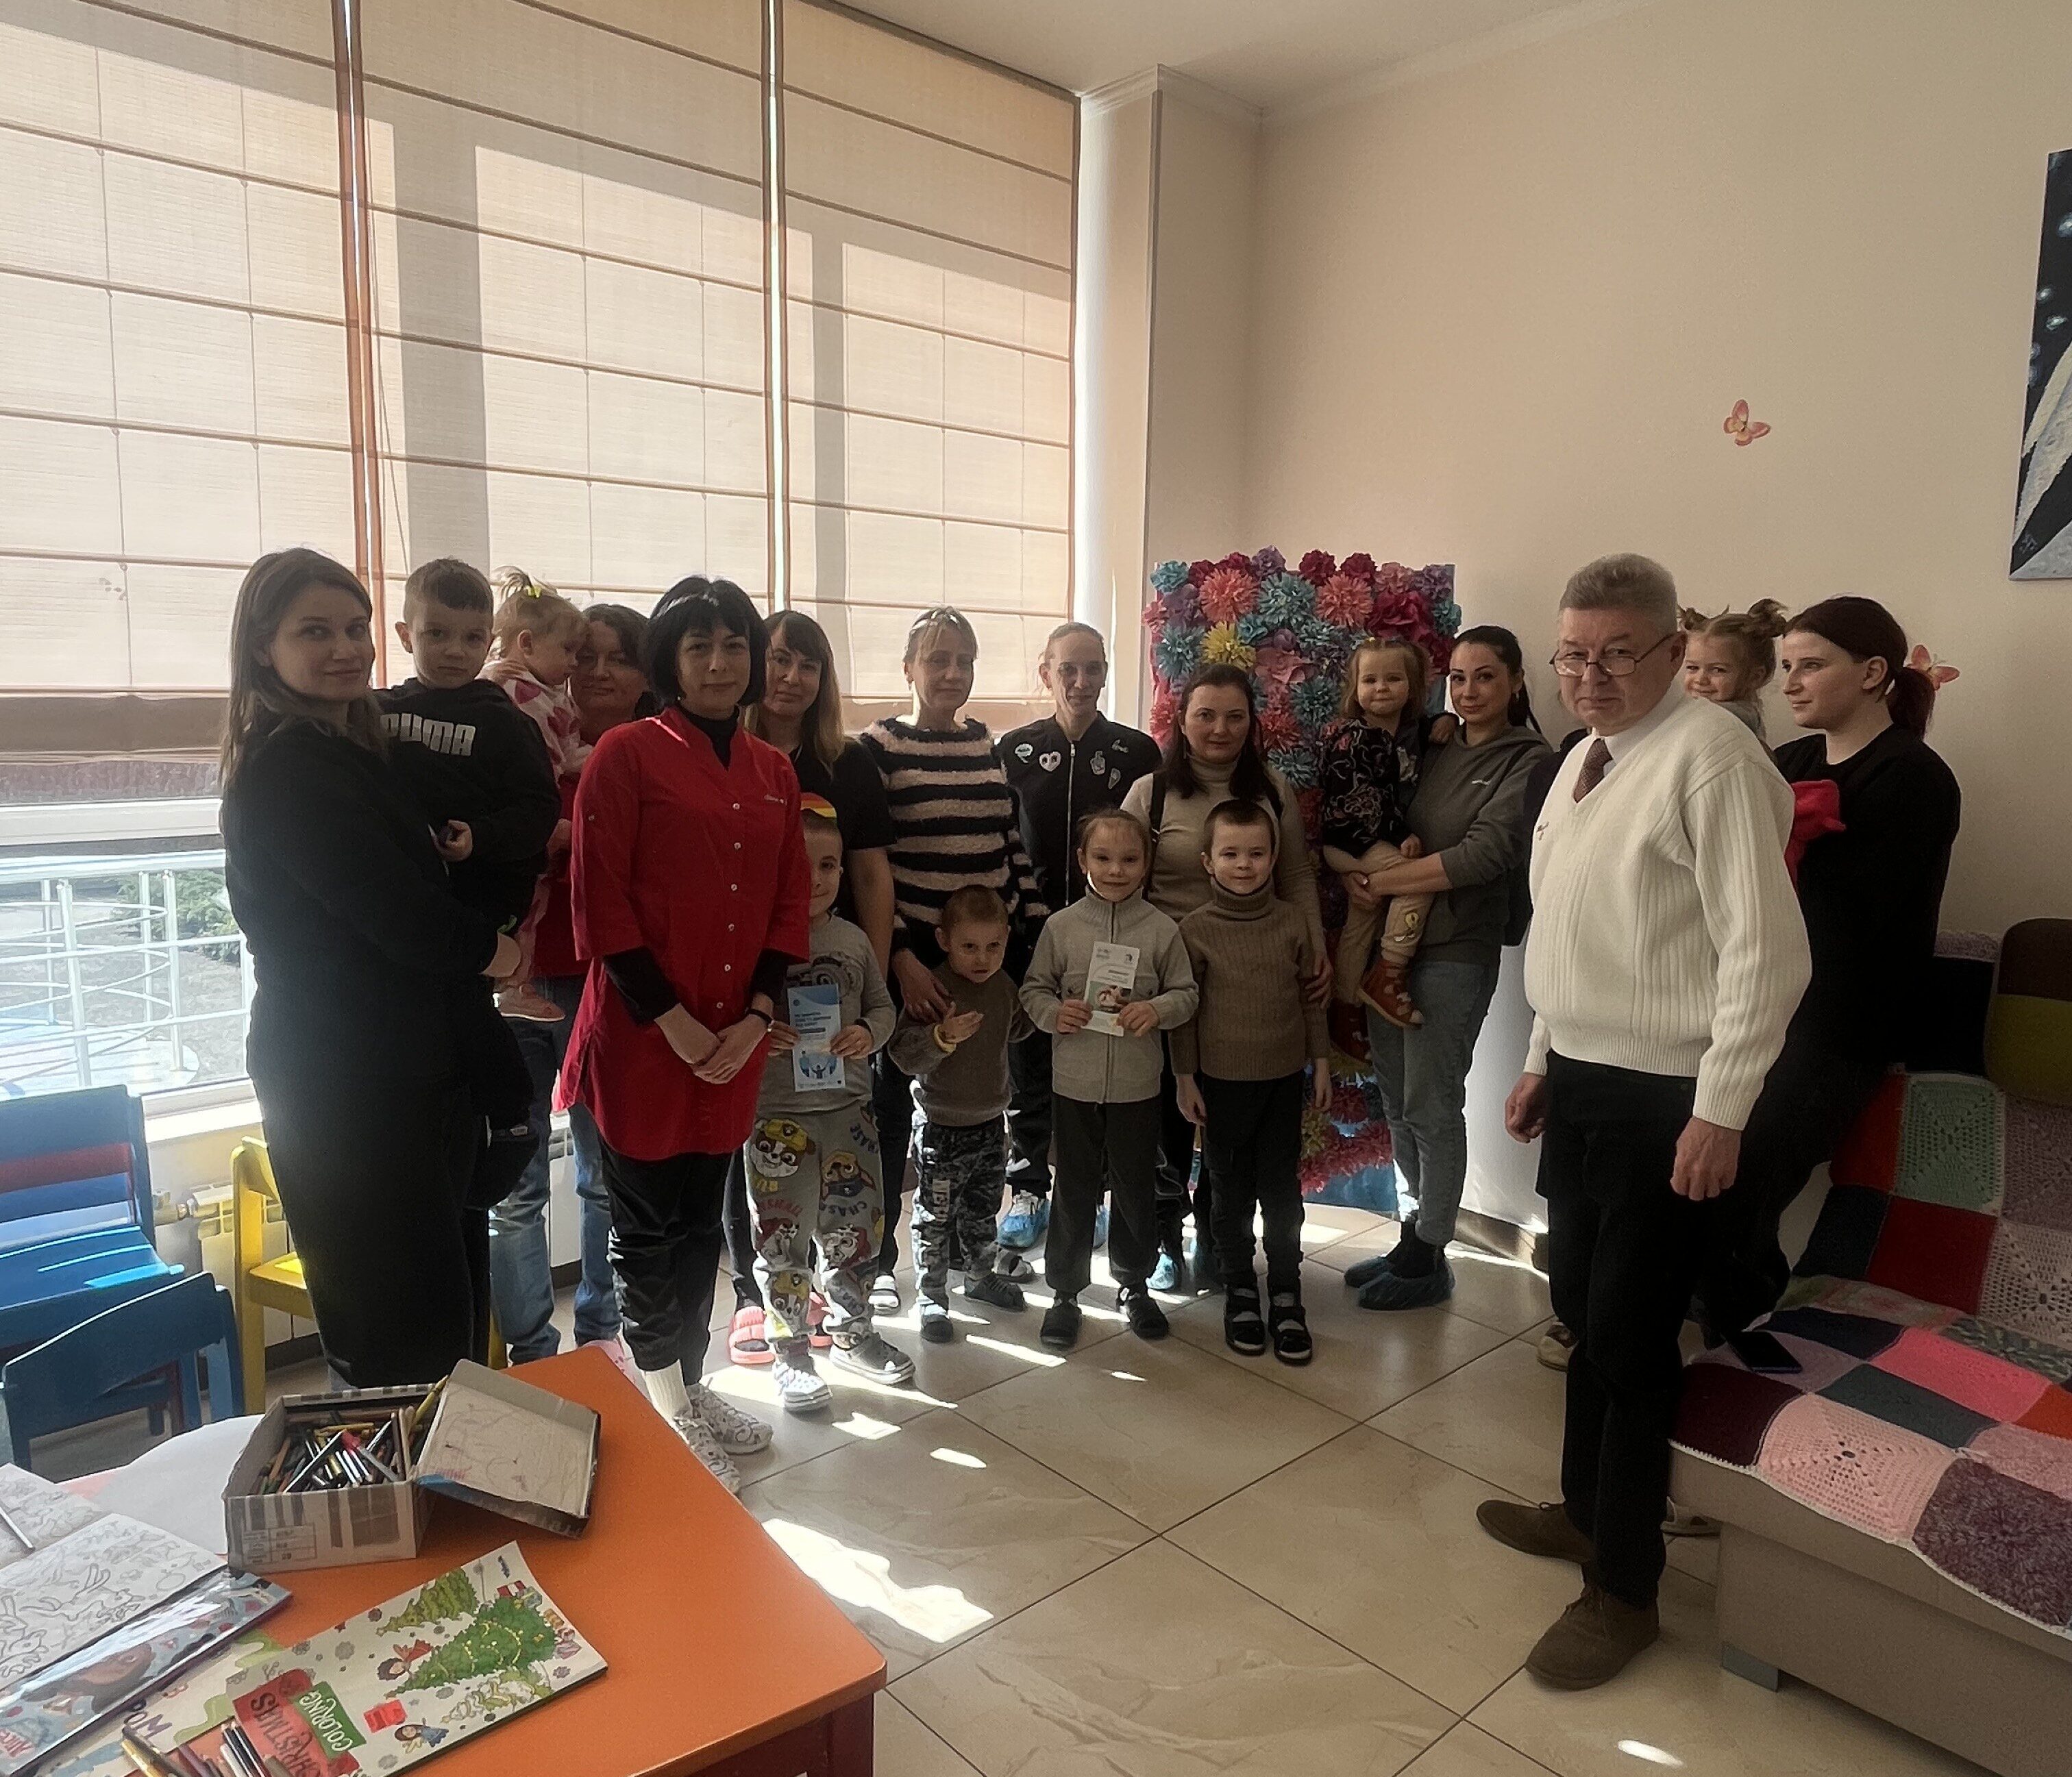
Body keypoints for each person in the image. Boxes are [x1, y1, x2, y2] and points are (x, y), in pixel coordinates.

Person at [1485, 553, 1809, 1689]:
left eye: (1617, 652)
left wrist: (1720, 1108)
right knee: (1580, 1309)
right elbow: (1568, 926)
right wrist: (1541, 1057)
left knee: (1629, 1340)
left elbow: (1766, 954)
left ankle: (1622, 1587)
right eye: (1572, 653)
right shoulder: (1582, 758)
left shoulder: (1712, 757)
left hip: (1665, 1098)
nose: (1590, 674)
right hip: (1583, 1080)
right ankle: (1583, 1510)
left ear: (1674, 650)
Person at [221, 549, 519, 1386]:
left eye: (357, 628)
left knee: (448, 1334)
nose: (347, 648)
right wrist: (500, 950)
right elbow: (396, 911)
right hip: (345, 1084)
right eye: (315, 631)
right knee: (399, 1345)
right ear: (263, 646)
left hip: (411, 1071)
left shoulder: (353, 745)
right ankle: (401, 1477)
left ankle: (446, 1471)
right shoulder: (288, 767)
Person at [559, 577, 811, 1493]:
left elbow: (788, 902)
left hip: (732, 1039)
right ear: (670, 658)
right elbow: (601, 902)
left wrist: (754, 1018)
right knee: (646, 1231)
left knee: (705, 1223)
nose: (719, 662)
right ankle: (665, 1406)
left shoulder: (775, 771)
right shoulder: (626, 754)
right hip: (642, 1038)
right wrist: (672, 1021)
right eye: (698, 645)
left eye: (734, 644)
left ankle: (690, 1388)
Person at [1698, 597, 1960, 1337]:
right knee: (1713, 1187)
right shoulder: (1792, 762)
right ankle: (1736, 1336)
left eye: (1811, 665)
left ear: (1873, 672)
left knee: (1739, 1189)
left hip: (1836, 1030)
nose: (1790, 682)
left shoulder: (1912, 776)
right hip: (1761, 1015)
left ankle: (1747, 1348)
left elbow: (1834, 917)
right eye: (1786, 666)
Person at [1336, 627, 1551, 1311]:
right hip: (1392, 950)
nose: (1469, 691)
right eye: (1458, 677)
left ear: (1516, 681)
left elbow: (1485, 854)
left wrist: (1382, 880)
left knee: (1432, 1103)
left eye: (1485, 676)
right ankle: (1412, 1233)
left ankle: (1433, 1251)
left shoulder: (1529, 759)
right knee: (1397, 1101)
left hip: (1457, 950)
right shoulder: (1433, 744)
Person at [858, 608, 1047, 1313]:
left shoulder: (983, 745)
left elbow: (1009, 845)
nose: (952, 673)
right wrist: (903, 956)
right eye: (937, 659)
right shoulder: (878, 747)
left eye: (964, 660)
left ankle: (972, 1255)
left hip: (989, 957)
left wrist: (1034, 933)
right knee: (895, 1109)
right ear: (908, 667)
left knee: (983, 1101)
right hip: (915, 963)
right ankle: (882, 1262)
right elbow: (871, 863)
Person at [724, 611, 900, 1364]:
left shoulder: (847, 762)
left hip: (836, 1004)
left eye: (808, 665)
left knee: (849, 1193)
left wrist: (869, 988)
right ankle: (762, 1306)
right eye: (778, 660)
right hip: (751, 980)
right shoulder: (724, 749)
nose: (791, 678)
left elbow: (871, 874)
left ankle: (848, 1311)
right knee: (770, 1189)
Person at [1122, 664, 1328, 1292]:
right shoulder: (1151, 793)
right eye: (1205, 715)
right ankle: (1166, 1238)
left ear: (1252, 723)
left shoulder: (1271, 789)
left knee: (1228, 1122)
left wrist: (1315, 949)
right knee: (1168, 1115)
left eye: (1235, 716)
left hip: (1247, 978)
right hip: (1165, 979)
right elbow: (1119, 880)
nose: (1220, 728)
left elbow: (1295, 874)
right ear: (1181, 721)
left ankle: (1218, 1237)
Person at [489, 604, 652, 1363]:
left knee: (602, 1178)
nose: (597, 671)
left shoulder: (650, 756)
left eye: (619, 657)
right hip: (514, 982)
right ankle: (532, 1357)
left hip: (607, 983)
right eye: (584, 654)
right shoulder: (515, 727)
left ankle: (601, 1342)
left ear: (646, 674)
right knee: (516, 1188)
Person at [377, 557, 560, 1213]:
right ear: (406, 635)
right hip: (406, 905)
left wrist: (479, 837)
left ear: (491, 642)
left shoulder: (505, 721)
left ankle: (512, 1119)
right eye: (437, 634)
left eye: (471, 637)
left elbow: (537, 811)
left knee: (466, 1008)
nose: (454, 651)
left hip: (483, 897)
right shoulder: (375, 712)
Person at [996, 623, 1158, 1256]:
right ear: (1047, 674)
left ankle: (1095, 1193)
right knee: (1030, 1066)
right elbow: (1001, 843)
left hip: (1113, 938)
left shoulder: (1136, 753)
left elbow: (1148, 849)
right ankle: (1028, 1187)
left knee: (1104, 1068)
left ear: (1106, 673)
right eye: (1068, 669)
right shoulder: (1013, 751)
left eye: (1093, 669)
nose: (1081, 682)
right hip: (1031, 936)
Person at [748, 798, 904, 1413]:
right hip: (775, 1116)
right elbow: (729, 1017)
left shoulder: (853, 940)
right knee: (780, 1241)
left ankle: (853, 1334)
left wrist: (868, 1033)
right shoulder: (756, 940)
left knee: (854, 1235)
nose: (815, 880)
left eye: (829, 866)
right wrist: (758, 1032)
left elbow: (883, 1009)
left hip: (849, 1113)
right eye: (800, 865)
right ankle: (789, 1352)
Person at [1020, 809, 1197, 1350]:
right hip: (1073, 1084)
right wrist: (1055, 1013)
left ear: (1147, 864)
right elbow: (1033, 990)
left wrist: (1157, 1009)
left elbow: (1187, 994)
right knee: (1073, 1189)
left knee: (1136, 1187)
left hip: (1137, 1087)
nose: (1116, 870)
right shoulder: (1061, 927)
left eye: (1129, 859)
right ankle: (1065, 1293)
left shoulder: (1162, 930)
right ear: (1082, 861)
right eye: (1103, 858)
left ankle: (1134, 1284)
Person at [1174, 800, 1332, 1365]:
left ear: (1274, 857)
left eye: (1257, 853)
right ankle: (1240, 1288)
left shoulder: (1293, 923)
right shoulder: (1194, 930)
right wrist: (1185, 1077)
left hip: (1283, 1081)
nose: (1244, 865)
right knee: (1230, 1192)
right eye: (1231, 854)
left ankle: (1286, 1290)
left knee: (1282, 1192)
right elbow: (1184, 1015)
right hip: (1220, 1085)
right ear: (1208, 862)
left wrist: (1322, 1062)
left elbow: (1311, 1000)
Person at [887, 887, 1035, 1341]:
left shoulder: (1004, 986)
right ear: (944, 940)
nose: (982, 958)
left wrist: (1052, 1000)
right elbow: (903, 1054)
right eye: (970, 946)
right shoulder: (933, 989)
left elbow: (1019, 1028)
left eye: (993, 946)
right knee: (934, 1221)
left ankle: (980, 1276)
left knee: (983, 1211)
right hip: (940, 1130)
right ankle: (932, 1297)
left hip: (991, 1126)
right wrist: (941, 1037)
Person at [1317, 636, 1440, 1046]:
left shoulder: (1409, 733)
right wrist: (1401, 835)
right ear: (1355, 690)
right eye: (1370, 680)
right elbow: (1360, 800)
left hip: (1364, 845)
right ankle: (1390, 970)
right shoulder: (1353, 739)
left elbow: (1426, 729)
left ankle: (1345, 1010)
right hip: (1352, 841)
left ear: (1412, 686)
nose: (1382, 688)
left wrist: (1445, 721)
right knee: (1418, 880)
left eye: (1393, 679)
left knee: (1361, 921)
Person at [482, 570, 591, 1023]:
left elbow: (569, 754)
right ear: (526, 644)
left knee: (533, 904)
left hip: (532, 820)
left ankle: (517, 982)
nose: (575, 664)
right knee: (521, 906)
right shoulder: (513, 691)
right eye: (569, 651)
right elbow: (551, 762)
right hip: (520, 817)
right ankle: (512, 982)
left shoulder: (546, 695)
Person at [1679, 599, 1789, 741]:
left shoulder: (1720, 720)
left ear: (1755, 677)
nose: (1700, 679)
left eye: (1718, 670)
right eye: (1693, 668)